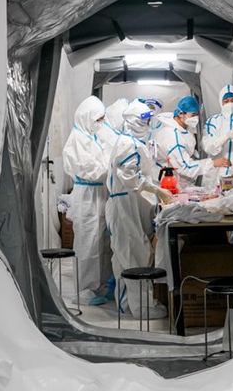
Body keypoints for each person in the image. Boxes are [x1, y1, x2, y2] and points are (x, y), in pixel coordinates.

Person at [105, 99, 173, 319]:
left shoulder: (130, 141)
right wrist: (156, 190)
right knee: (134, 254)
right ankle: (141, 308)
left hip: (127, 203)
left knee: (126, 255)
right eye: (146, 120)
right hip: (125, 206)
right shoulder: (127, 143)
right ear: (134, 121)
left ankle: (126, 303)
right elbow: (130, 177)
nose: (149, 123)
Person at [62, 96, 112, 306]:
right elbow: (93, 171)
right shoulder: (78, 139)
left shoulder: (90, 137)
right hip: (88, 196)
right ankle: (84, 289)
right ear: (86, 118)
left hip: (99, 194)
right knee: (88, 245)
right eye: (98, 119)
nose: (101, 123)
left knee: (102, 243)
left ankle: (100, 285)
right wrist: (112, 158)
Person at [152, 96, 231, 189]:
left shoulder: (183, 125)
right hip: (169, 182)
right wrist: (212, 163)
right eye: (193, 115)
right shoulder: (172, 136)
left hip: (178, 177)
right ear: (181, 114)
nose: (196, 118)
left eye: (197, 114)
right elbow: (185, 167)